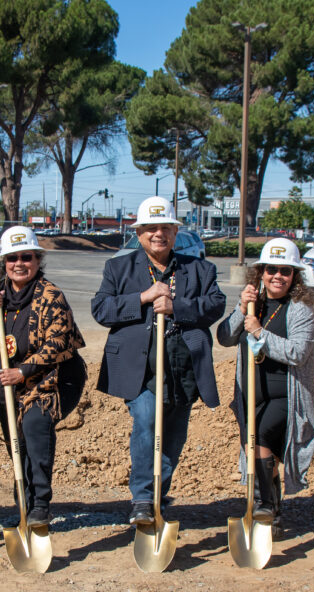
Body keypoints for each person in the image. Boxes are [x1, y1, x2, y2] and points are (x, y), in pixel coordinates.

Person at [92, 196, 226, 525]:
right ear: (139, 233)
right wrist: (143, 298)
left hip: (183, 369)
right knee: (149, 419)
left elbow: (215, 306)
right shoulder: (119, 268)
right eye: (151, 228)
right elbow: (101, 310)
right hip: (139, 371)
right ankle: (141, 497)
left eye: (165, 227)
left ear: (175, 232)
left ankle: (157, 498)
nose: (158, 234)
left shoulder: (200, 269)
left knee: (174, 437)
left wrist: (176, 307)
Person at [0, 226, 86, 526]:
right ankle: (24, 502)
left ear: (37, 259)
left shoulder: (51, 295)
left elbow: (58, 343)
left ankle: (40, 504)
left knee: (34, 424)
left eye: (26, 257)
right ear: (3, 263)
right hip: (8, 383)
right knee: (15, 440)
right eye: (12, 258)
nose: (19, 264)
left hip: (53, 379)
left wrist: (23, 371)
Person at [216, 238, 314, 538]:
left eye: (285, 271)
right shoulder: (253, 304)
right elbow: (224, 337)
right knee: (258, 453)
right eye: (271, 269)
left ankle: (262, 503)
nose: (277, 276)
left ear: (294, 276)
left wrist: (260, 332)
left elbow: (298, 352)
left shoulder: (300, 310)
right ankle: (271, 506)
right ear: (260, 272)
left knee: (259, 439)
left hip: (285, 395)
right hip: (249, 393)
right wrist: (240, 306)